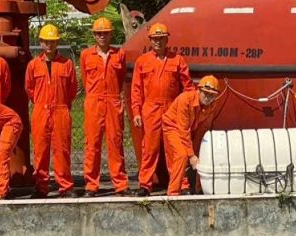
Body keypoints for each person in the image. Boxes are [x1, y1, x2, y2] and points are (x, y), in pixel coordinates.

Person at [130, 23, 193, 196]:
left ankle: (181, 183)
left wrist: (188, 109)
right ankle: (145, 184)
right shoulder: (142, 61)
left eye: (161, 38)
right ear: (150, 40)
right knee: (149, 148)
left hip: (171, 108)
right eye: (155, 39)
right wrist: (136, 112)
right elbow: (136, 89)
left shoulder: (177, 60)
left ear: (167, 40)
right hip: (150, 108)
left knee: (175, 147)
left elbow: (188, 87)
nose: (158, 42)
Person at [25, 23, 78, 198]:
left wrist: (61, 103)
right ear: (40, 42)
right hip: (41, 110)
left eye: (53, 41)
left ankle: (65, 186)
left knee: (62, 150)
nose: (49, 45)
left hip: (61, 110)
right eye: (46, 41)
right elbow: (29, 88)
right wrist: (41, 102)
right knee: (40, 150)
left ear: (57, 43)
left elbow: (72, 89)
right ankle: (41, 187)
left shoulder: (67, 64)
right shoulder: (33, 65)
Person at [79, 17, 129, 197]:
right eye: (99, 33)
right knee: (92, 144)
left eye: (105, 33)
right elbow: (85, 79)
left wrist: (114, 95)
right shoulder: (86, 55)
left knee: (115, 143)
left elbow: (121, 76)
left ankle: (121, 185)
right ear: (94, 35)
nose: (102, 36)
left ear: (110, 35)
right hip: (94, 102)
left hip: (113, 101)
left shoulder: (119, 54)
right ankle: (91, 186)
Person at [161, 75, 222, 196]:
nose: (208, 97)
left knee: (203, 153)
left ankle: (199, 189)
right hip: (172, 127)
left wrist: (201, 148)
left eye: (212, 95)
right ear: (199, 90)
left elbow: (204, 127)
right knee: (181, 154)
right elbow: (183, 130)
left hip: (192, 128)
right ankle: (173, 193)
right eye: (206, 93)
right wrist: (191, 155)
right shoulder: (185, 99)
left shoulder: (212, 105)